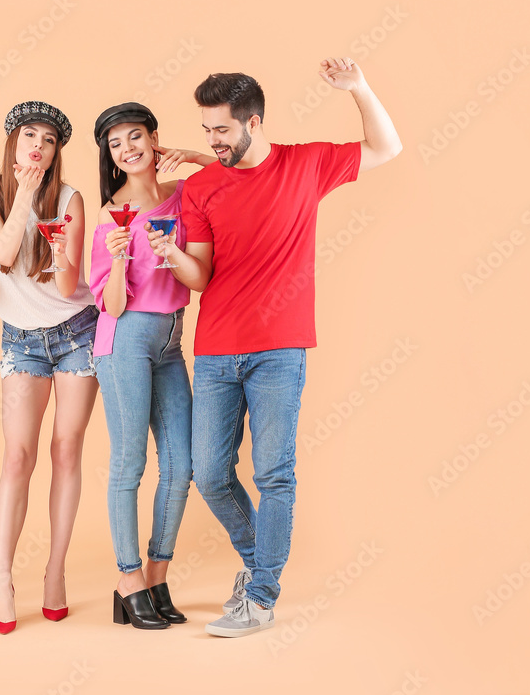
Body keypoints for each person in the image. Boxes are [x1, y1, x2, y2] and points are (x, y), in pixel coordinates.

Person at [146, 58, 402, 637]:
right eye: (207, 130)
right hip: (215, 349)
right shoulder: (202, 186)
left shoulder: (307, 163)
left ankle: (260, 595)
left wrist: (360, 87)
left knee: (274, 474)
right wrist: (173, 258)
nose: (211, 141)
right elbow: (202, 276)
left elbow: (386, 146)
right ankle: (261, 566)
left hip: (280, 351)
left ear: (253, 123)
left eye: (221, 131)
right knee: (209, 472)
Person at [0, 101, 99, 634]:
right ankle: (2, 580)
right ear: (12, 142)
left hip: (76, 333)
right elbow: (0, 255)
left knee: (66, 449)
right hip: (20, 340)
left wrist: (62, 248)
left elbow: (68, 288)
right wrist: (23, 191)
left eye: (49, 140)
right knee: (17, 457)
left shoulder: (69, 198)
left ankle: (55, 571)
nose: (38, 147)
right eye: (30, 136)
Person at [88, 102, 215, 630]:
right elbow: (111, 305)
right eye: (116, 144)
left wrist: (191, 155)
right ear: (110, 157)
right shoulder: (109, 213)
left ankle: (158, 574)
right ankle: (128, 578)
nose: (127, 149)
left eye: (135, 137)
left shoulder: (183, 195)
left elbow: (235, 175)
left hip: (170, 341)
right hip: (123, 340)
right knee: (129, 463)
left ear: (153, 138)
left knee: (182, 464)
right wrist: (118, 255)